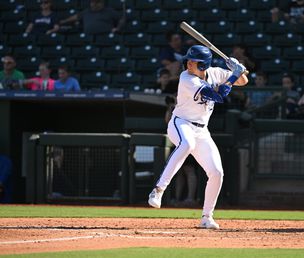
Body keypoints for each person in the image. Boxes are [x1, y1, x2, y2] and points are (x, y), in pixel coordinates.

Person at [148, 45, 248, 229]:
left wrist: (237, 69)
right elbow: (218, 96)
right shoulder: (186, 78)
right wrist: (234, 74)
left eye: (193, 61)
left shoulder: (215, 73)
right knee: (186, 144)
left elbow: (243, 81)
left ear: (203, 65)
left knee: (217, 172)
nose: (189, 63)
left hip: (202, 130)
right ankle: (158, 189)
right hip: (180, 123)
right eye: (189, 60)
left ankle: (206, 217)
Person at [58, 0, 125, 35]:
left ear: (102, 3)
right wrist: (63, 21)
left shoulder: (109, 11)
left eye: (97, 2)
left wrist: (117, 28)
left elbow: (122, 19)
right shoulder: (87, 11)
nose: (95, 4)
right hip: (89, 37)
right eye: (93, 2)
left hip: (105, 36)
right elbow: (76, 17)